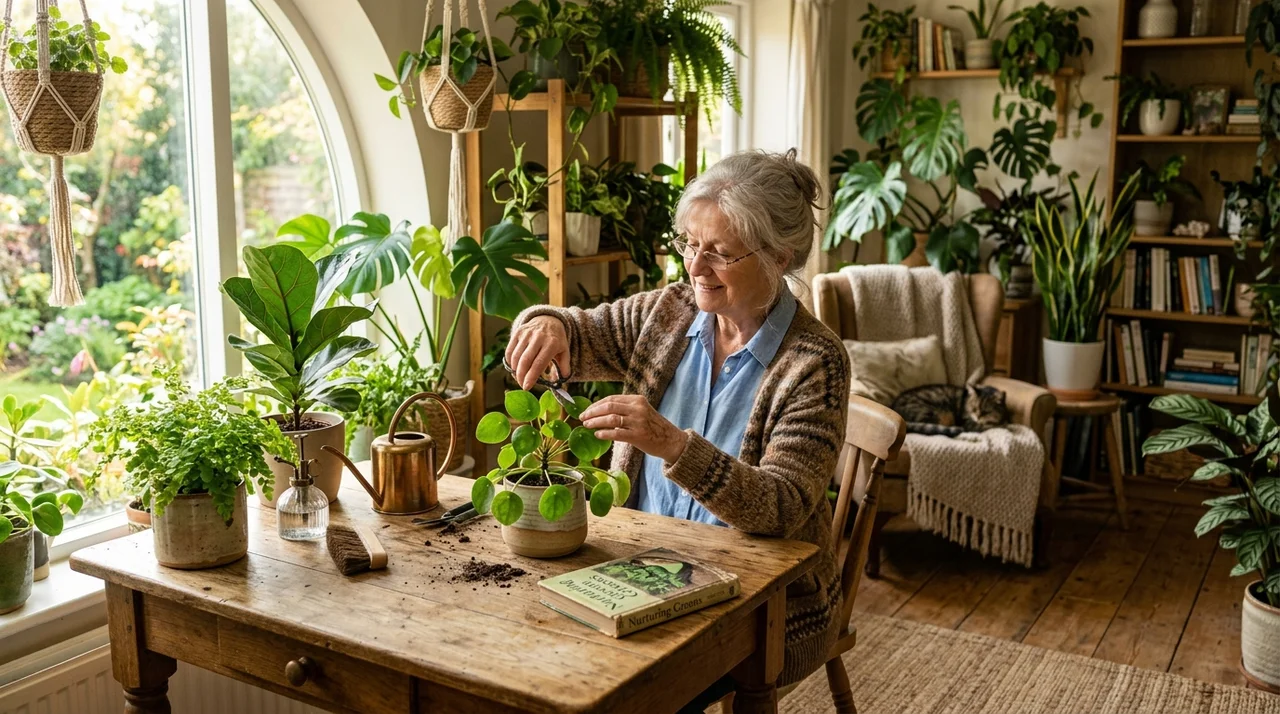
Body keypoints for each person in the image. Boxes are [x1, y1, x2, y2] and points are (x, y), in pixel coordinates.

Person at [506, 149, 851, 699]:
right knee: (524, 652)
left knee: (625, 692)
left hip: (763, 602)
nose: (695, 267)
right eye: (691, 244)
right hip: (636, 567)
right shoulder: (670, 313)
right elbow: (578, 329)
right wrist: (545, 324)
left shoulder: (815, 362)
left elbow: (782, 506)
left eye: (719, 253)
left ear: (779, 257)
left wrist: (670, 444)